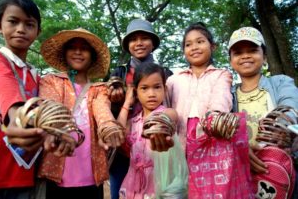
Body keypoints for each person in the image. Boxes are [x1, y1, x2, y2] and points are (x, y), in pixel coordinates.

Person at [166, 22, 253, 198]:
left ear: (212, 46)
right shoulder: (174, 80)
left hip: (211, 141)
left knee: (209, 191)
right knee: (181, 190)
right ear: (183, 50)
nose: (194, 47)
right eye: (188, 44)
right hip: (179, 145)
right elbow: (165, 106)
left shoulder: (221, 74)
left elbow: (221, 101)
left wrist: (214, 117)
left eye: (200, 42)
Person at [38, 28, 125, 199]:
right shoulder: (51, 81)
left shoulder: (99, 89)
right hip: (56, 172)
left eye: (84, 48)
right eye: (73, 47)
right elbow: (50, 108)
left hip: (92, 175)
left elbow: (102, 110)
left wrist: (108, 128)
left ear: (92, 56)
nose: (78, 52)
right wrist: (57, 130)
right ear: (65, 53)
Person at [228, 26, 298, 198]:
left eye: (252, 50)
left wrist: (268, 146)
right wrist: (241, 150)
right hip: (242, 172)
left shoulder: (281, 82)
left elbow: (291, 107)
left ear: (264, 57)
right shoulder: (226, 94)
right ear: (231, 61)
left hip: (284, 167)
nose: (245, 56)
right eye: (238, 52)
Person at [108, 18, 173, 199]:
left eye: (144, 38)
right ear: (128, 44)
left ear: (153, 43)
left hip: (157, 149)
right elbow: (108, 109)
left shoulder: (166, 73)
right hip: (123, 149)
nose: (139, 43)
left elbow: (173, 108)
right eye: (133, 39)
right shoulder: (119, 73)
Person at [117, 62, 187, 198]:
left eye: (157, 87)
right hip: (132, 187)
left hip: (158, 187)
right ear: (135, 92)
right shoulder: (133, 122)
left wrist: (159, 127)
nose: (151, 94)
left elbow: (169, 117)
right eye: (144, 88)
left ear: (165, 90)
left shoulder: (168, 113)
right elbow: (117, 134)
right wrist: (127, 102)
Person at [0, 0, 43, 198]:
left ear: (37, 32)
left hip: (25, 170)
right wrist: (18, 117)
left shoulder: (35, 76)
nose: (21, 29)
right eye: (13, 21)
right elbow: (5, 84)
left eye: (29, 24)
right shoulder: (0, 61)